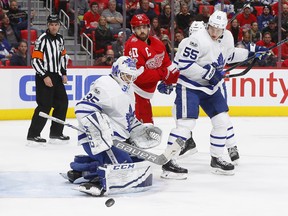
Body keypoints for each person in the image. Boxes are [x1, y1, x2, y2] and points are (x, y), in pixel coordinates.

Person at [163, 10, 269, 178]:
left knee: (222, 122)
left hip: (210, 88)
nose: (214, 33)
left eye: (218, 30)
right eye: (212, 28)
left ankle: (217, 158)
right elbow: (183, 65)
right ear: (208, 25)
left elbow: (230, 54)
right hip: (190, 87)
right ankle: (168, 161)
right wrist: (209, 74)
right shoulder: (196, 40)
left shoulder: (226, 37)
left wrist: (251, 53)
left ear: (223, 29)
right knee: (186, 125)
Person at [66, 56, 165, 196]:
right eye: (126, 75)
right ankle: (95, 179)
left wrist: (138, 127)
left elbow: (127, 117)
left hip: (118, 141)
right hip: (98, 141)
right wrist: (99, 132)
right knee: (124, 167)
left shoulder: (127, 89)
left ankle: (80, 170)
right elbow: (82, 108)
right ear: (117, 71)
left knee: (137, 161)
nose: (129, 80)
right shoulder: (106, 85)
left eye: (132, 76)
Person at [124, 13, 197, 175]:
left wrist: (172, 80)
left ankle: (136, 161)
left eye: (144, 27)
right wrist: (163, 76)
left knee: (146, 130)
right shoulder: (133, 46)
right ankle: (130, 162)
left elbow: (169, 67)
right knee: (142, 131)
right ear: (133, 30)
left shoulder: (157, 43)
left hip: (144, 96)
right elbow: (141, 77)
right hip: (133, 94)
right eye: (138, 28)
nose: (142, 31)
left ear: (149, 27)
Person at [27, 14, 70, 145]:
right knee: (44, 106)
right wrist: (44, 76)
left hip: (56, 76)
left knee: (62, 103)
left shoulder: (60, 39)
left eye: (56, 24)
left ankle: (56, 134)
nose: (54, 27)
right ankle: (33, 135)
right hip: (44, 76)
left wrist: (63, 73)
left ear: (59, 25)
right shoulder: (42, 40)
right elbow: (35, 60)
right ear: (48, 25)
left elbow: (63, 57)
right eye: (51, 24)